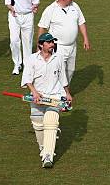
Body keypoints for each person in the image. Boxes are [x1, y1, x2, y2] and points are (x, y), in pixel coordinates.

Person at [21, 32, 72, 168]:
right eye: (49, 42)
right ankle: (43, 148)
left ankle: (48, 156)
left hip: (55, 96)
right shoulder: (31, 59)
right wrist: (35, 93)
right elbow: (27, 79)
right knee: (38, 124)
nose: (52, 44)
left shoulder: (58, 58)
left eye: (52, 42)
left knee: (51, 122)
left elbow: (63, 78)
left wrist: (67, 93)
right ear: (40, 45)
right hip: (38, 97)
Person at [37, 0, 90, 83]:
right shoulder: (50, 9)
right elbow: (42, 27)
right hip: (58, 47)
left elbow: (81, 22)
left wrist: (85, 38)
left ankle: (65, 92)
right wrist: (40, 45)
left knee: (70, 70)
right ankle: (56, 92)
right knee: (57, 71)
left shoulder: (75, 6)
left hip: (72, 46)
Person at [5, 0, 40, 75]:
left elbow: (36, 2)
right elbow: (7, 3)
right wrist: (12, 9)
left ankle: (27, 65)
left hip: (28, 16)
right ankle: (17, 64)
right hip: (14, 16)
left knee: (27, 42)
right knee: (14, 40)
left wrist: (34, 7)